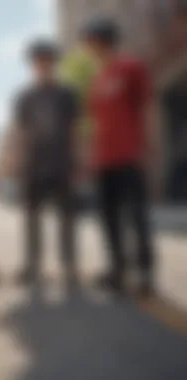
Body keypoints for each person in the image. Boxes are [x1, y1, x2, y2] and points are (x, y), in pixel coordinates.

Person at [83, 18, 156, 296]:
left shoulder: (130, 66)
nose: (87, 47)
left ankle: (145, 272)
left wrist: (147, 147)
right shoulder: (97, 79)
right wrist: (91, 157)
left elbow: (146, 105)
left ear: (102, 39)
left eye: (90, 41)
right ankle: (117, 269)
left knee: (136, 216)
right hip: (103, 161)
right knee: (108, 217)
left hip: (129, 156)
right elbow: (97, 123)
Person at [12, 39, 80, 287]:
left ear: (54, 63)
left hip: (62, 163)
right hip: (34, 165)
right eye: (38, 61)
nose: (43, 64)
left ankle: (69, 265)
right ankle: (33, 264)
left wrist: (78, 161)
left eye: (47, 60)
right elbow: (20, 132)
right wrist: (18, 161)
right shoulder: (25, 97)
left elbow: (74, 130)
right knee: (32, 218)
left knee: (67, 217)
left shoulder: (67, 94)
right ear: (33, 65)